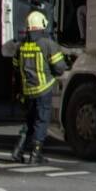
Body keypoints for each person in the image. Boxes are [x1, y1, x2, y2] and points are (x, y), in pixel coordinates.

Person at [11, 11, 67, 164]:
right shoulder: (47, 44)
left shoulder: (21, 46)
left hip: (28, 91)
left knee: (29, 121)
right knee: (41, 122)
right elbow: (60, 68)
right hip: (43, 89)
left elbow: (16, 67)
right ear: (42, 26)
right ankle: (35, 155)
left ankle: (18, 150)